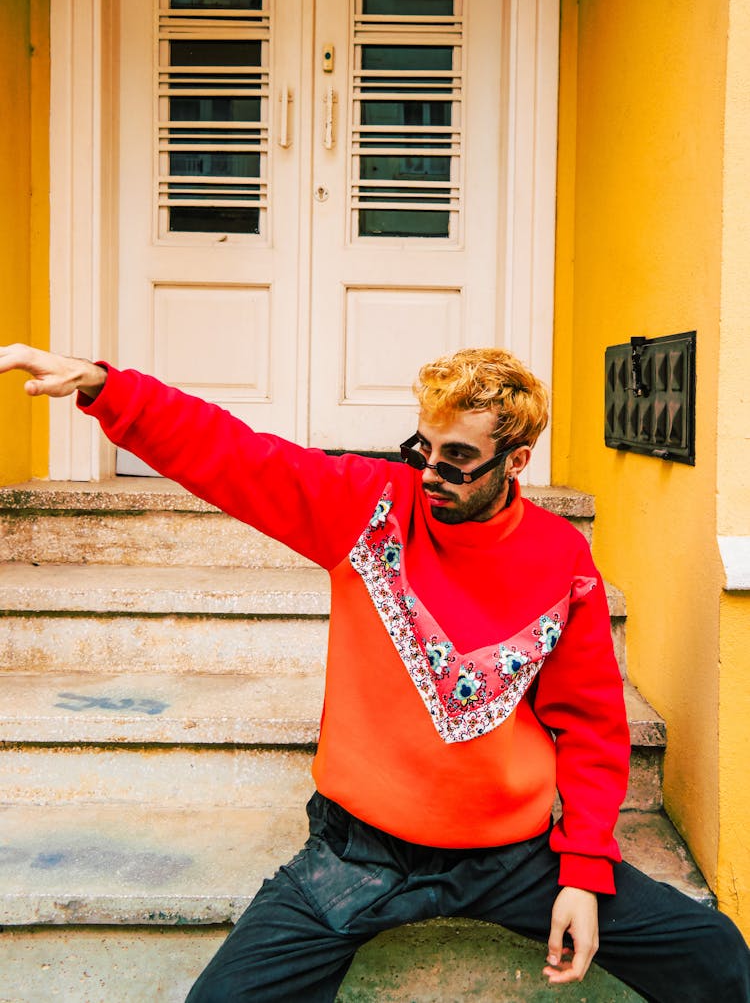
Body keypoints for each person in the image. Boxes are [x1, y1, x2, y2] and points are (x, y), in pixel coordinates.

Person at [1, 341, 748, 1003]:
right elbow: (237, 455)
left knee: (716, 955)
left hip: (513, 857)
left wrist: (583, 872)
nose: (429, 472)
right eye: (421, 447)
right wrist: (105, 386)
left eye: (456, 457)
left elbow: (589, 724)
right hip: (359, 851)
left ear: (517, 460)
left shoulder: (561, 559)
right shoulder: (369, 508)